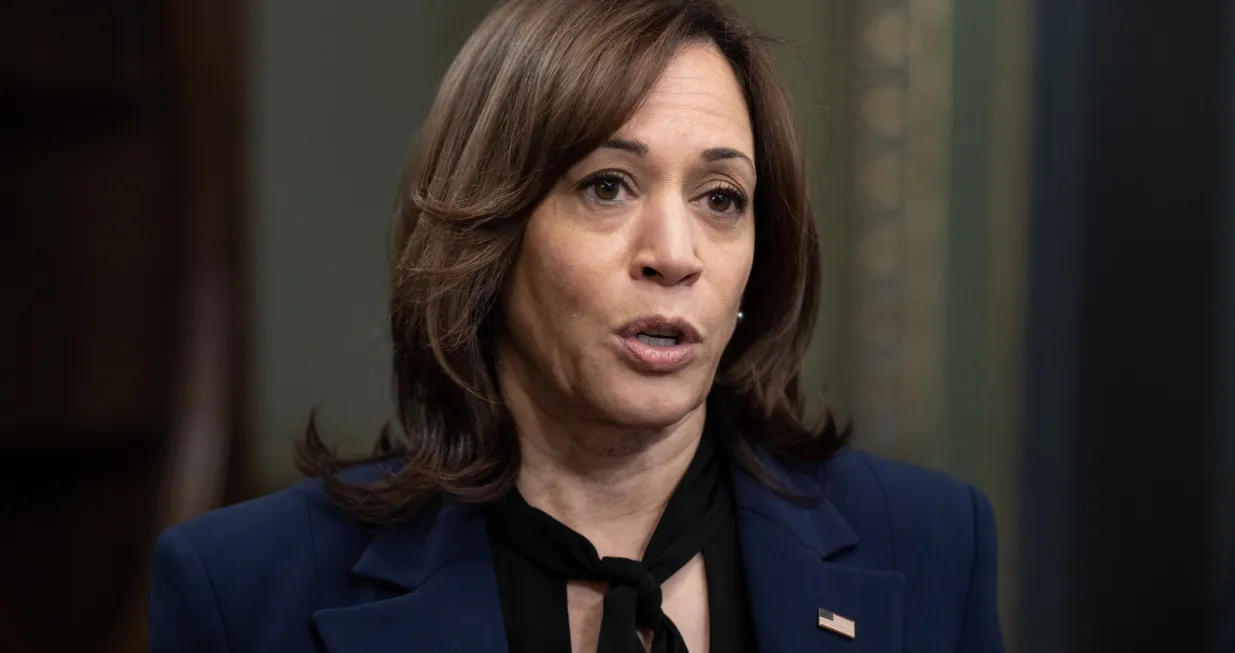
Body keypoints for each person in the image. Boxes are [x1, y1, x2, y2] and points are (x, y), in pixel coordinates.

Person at [149, 0, 1003, 651]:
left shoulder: (933, 542)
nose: (674, 254)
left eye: (720, 199)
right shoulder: (242, 589)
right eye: (607, 186)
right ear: (491, 234)